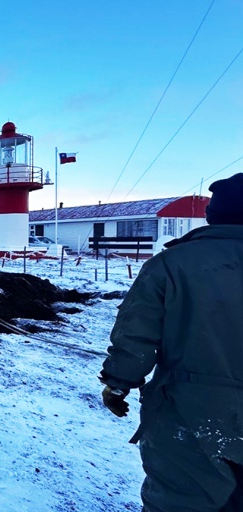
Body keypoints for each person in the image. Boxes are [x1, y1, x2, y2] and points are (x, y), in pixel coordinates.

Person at [100, 172, 243, 511]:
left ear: (213, 215)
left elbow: (136, 334)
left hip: (191, 414)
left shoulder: (171, 265)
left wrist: (118, 384)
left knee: (182, 499)